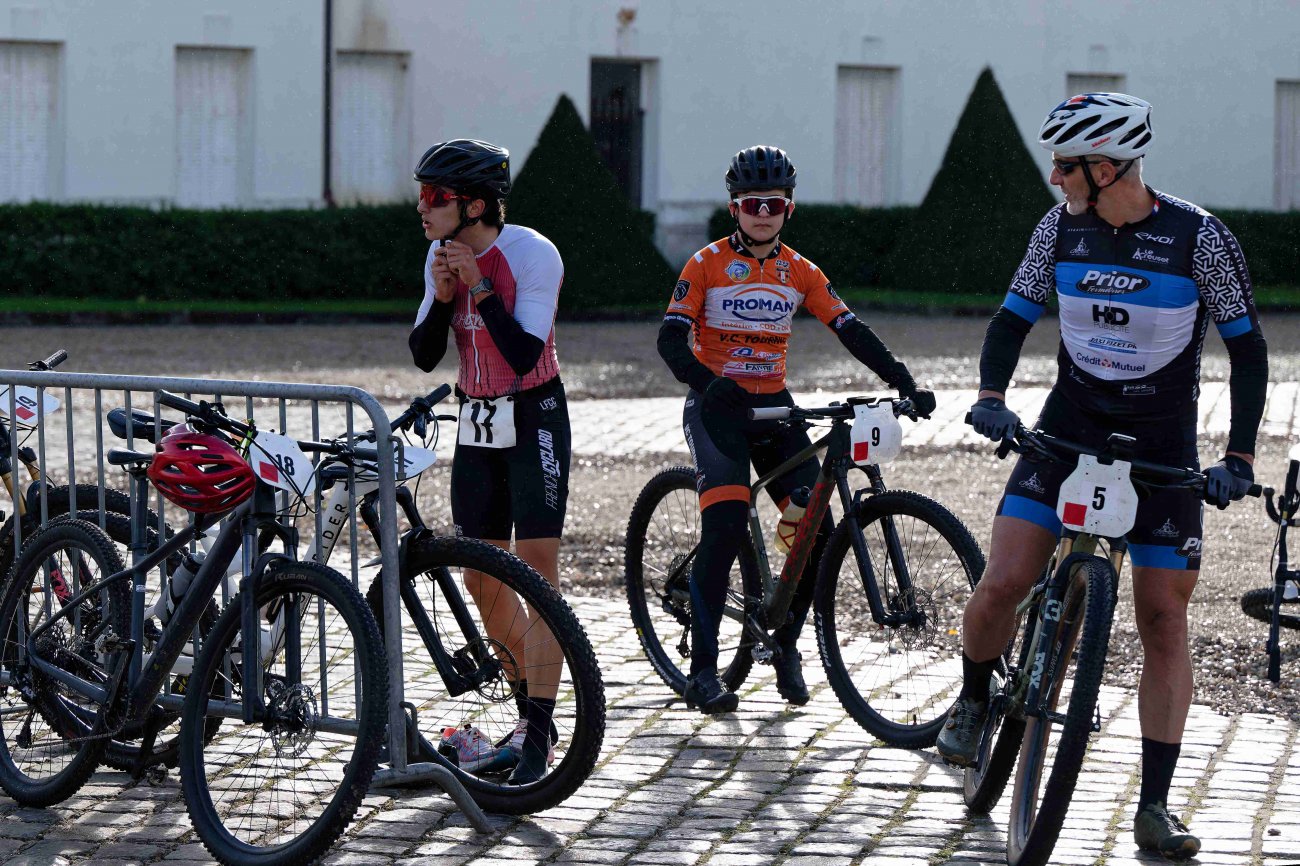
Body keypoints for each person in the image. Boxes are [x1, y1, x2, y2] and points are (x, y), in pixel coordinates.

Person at [935, 93, 1268, 858]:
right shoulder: (1058, 228)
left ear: (1107, 167)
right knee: (1003, 582)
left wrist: (1240, 458)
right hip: (1066, 432)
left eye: (1066, 164)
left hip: (1162, 447)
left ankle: (1155, 805)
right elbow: (1011, 320)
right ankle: (974, 697)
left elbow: (1248, 351)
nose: (1054, 177)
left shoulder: (1200, 238)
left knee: (1164, 618)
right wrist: (991, 397)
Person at [657, 145, 936, 715]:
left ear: (790, 208)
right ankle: (703, 672)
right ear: (734, 208)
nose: (763, 213)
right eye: (751, 204)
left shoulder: (801, 271)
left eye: (774, 204)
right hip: (717, 408)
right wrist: (708, 382)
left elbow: (850, 329)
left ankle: (784, 643)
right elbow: (669, 339)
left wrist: (904, 380)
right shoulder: (705, 264)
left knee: (814, 532)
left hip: (775, 407)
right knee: (726, 525)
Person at [408, 138, 568, 785]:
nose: (422, 207)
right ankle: (531, 718)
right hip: (477, 419)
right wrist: (448, 295)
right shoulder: (439, 256)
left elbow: (525, 353)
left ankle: (537, 732)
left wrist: (481, 288)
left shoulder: (533, 253)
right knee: (482, 577)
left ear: (474, 205)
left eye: (435, 196)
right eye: (421, 194)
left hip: (534, 415)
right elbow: (423, 354)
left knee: (537, 571)